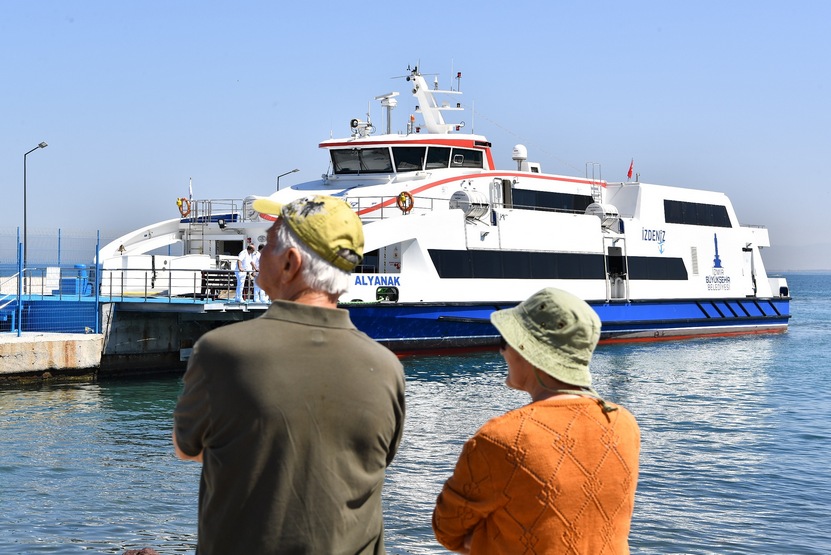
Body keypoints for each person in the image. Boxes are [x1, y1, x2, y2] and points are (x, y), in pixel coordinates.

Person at [173, 195, 406, 554]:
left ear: (290, 263)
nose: (260, 253)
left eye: (267, 243)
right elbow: (373, 461)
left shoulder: (221, 352)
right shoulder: (387, 368)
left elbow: (186, 448)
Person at [432, 287, 640, 554]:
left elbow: (448, 529)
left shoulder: (502, 438)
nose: (502, 352)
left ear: (527, 351)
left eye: (505, 341)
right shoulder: (623, 423)